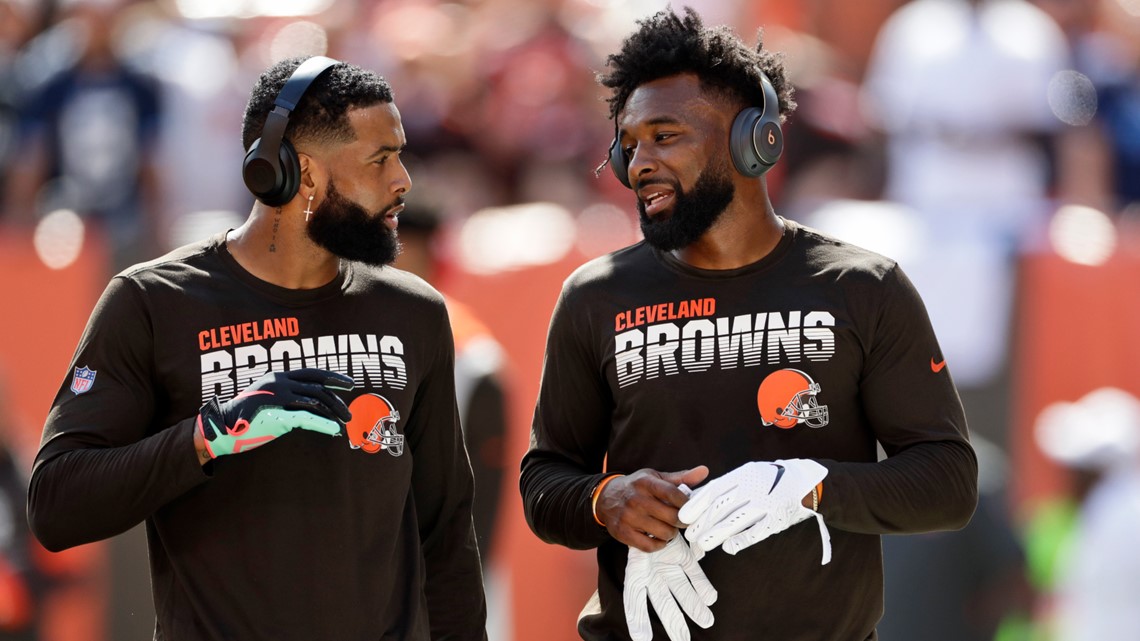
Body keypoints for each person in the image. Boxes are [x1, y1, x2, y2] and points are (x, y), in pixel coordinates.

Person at [519, 8, 978, 641]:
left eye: (665, 135)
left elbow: (948, 484)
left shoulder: (863, 288)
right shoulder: (594, 297)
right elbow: (544, 483)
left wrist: (813, 485)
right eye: (628, 145)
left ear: (752, 140)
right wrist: (610, 500)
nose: (639, 162)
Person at [26, 55, 487, 641]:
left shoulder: (414, 311)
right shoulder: (151, 302)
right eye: (381, 158)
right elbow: (57, 504)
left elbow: (445, 532)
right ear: (305, 175)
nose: (403, 181)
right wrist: (213, 433)